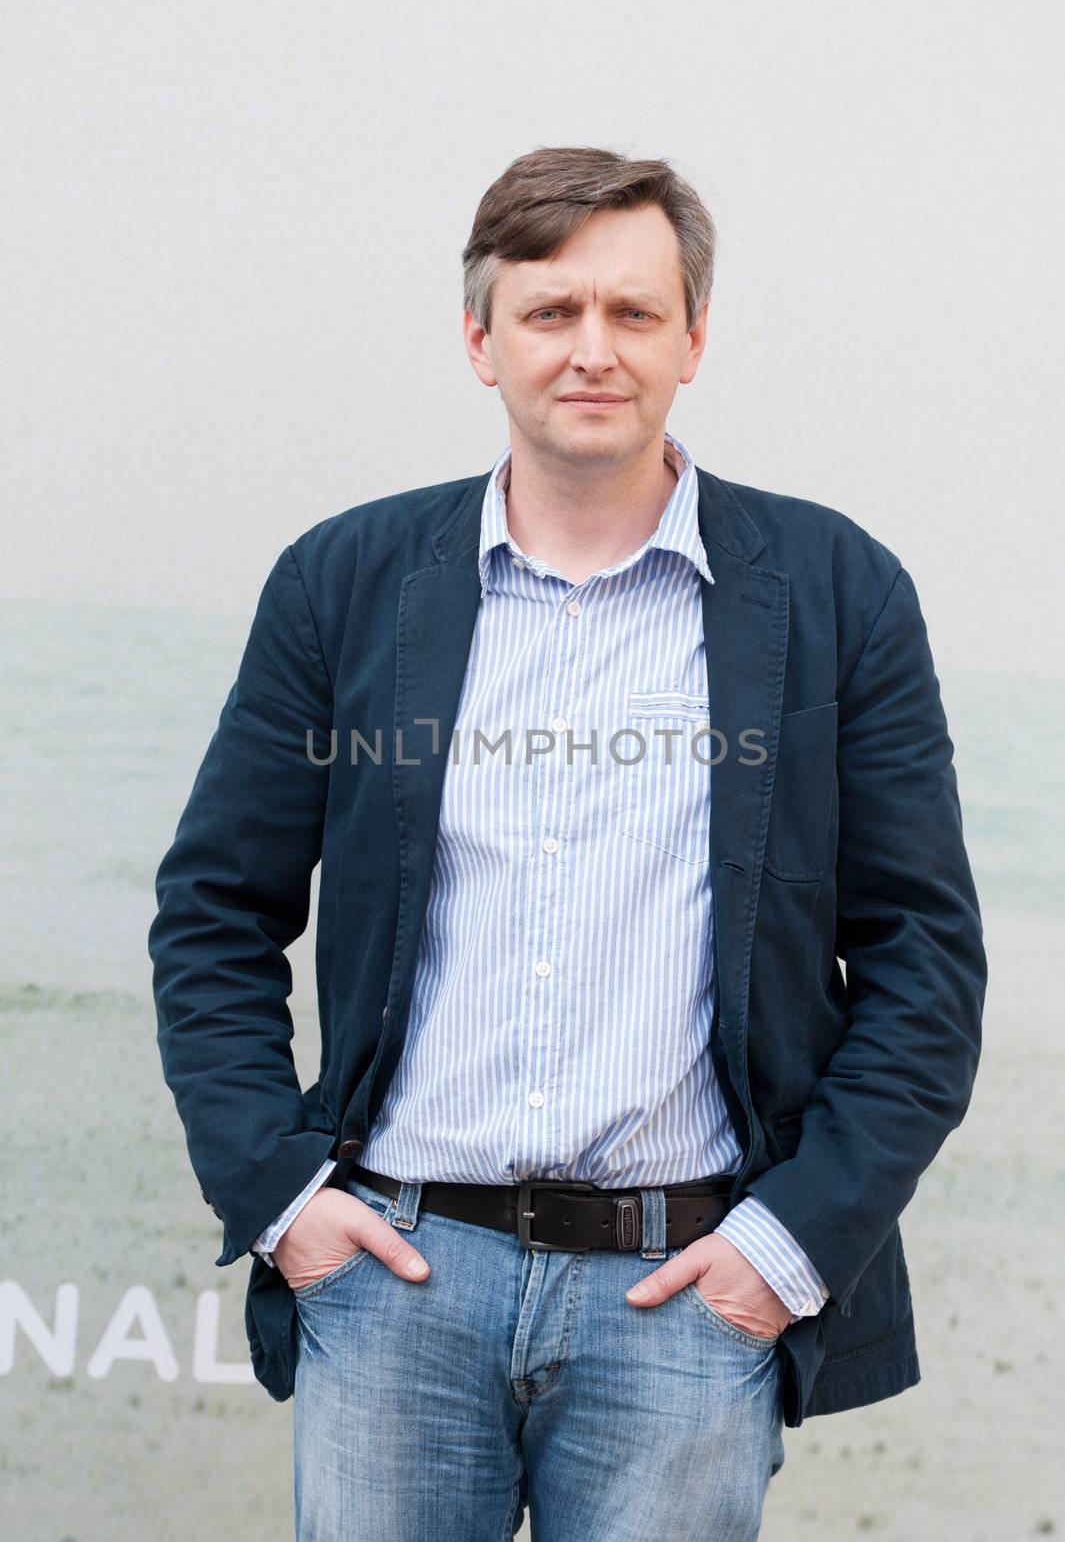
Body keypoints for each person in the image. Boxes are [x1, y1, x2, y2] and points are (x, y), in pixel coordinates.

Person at [149, 145, 987, 1541]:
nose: (591, 350)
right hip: (392, 1278)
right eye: (549, 313)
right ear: (480, 340)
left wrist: (782, 1255)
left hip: (685, 1297)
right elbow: (215, 913)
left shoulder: (837, 593)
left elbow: (922, 959)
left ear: (692, 340)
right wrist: (282, 1199)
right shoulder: (342, 584)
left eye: (632, 312)